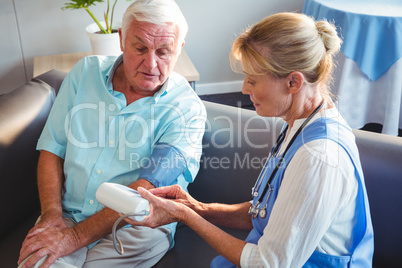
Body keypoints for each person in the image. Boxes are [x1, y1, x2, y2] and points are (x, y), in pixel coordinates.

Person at [124, 12, 374, 268]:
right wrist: (196, 207)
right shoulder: (302, 123)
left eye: (252, 80)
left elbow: (268, 263)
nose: (243, 88)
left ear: (293, 82)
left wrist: (186, 216)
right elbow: (265, 211)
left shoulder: (318, 156)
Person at [17, 0, 206, 267]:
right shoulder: (84, 74)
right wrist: (51, 215)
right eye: (140, 48)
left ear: (179, 50)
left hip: (138, 225)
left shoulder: (187, 109)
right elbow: (52, 148)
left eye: (164, 52)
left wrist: (74, 238)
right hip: (67, 213)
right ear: (121, 39)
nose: (151, 64)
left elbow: (147, 188)